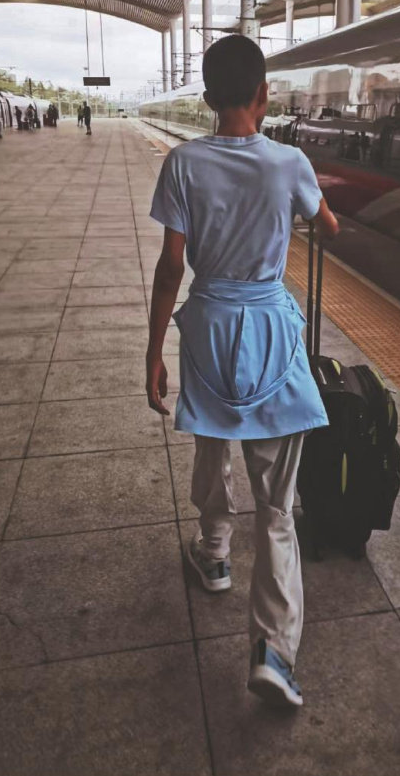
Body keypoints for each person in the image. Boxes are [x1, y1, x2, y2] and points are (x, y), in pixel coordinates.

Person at [146, 35, 339, 707]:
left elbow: (172, 265)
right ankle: (273, 653)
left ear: (206, 99)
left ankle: (214, 551)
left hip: (208, 324)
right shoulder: (289, 161)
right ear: (263, 95)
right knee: (277, 506)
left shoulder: (182, 163)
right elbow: (328, 226)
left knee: (212, 442)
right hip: (269, 328)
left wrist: (152, 351)